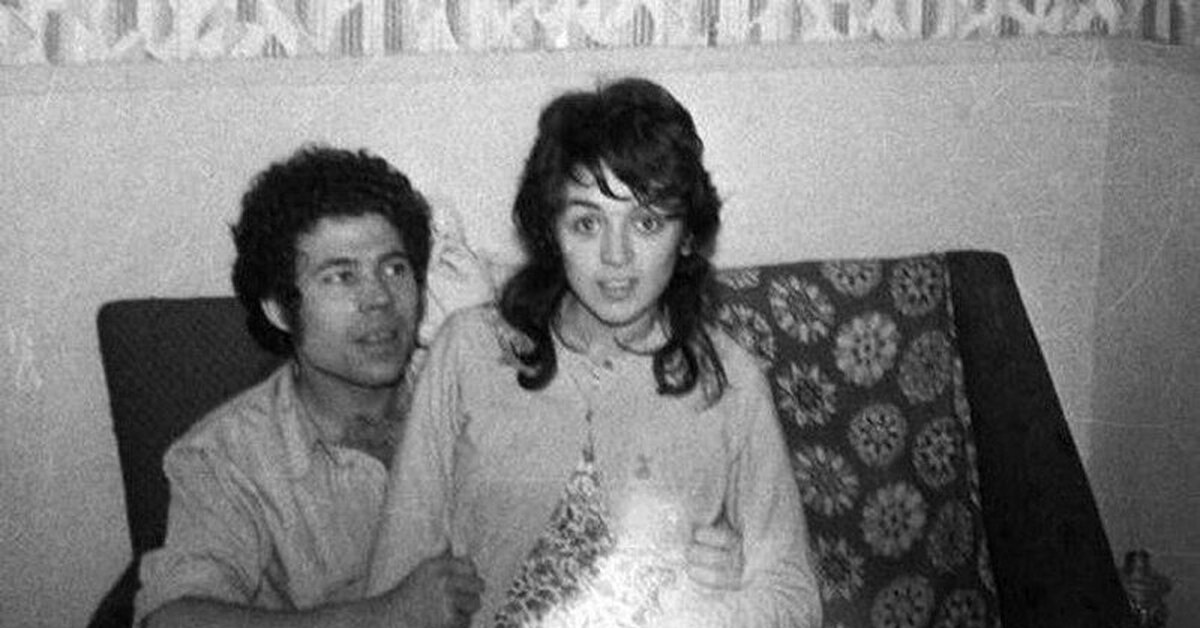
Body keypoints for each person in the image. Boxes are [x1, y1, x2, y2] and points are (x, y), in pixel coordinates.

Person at [367, 78, 822, 627]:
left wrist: (707, 612)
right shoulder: (467, 350)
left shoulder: (729, 380)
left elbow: (792, 599)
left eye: (647, 222)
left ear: (686, 236)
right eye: (586, 223)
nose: (616, 256)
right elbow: (396, 578)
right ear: (551, 232)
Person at [135, 145, 485, 628]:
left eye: (394, 268)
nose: (379, 298)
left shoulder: (471, 398)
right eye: (341, 277)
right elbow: (172, 620)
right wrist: (385, 617)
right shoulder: (227, 457)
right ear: (280, 309)